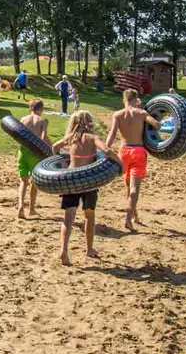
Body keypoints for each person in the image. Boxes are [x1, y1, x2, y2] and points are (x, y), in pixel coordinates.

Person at [52, 110, 120, 265]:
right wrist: (120, 163)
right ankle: (89, 249)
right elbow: (107, 151)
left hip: (71, 178)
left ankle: (63, 250)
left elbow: (55, 147)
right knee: (89, 215)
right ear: (89, 122)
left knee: (68, 217)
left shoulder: (70, 138)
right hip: (88, 179)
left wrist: (62, 162)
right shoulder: (92, 137)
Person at [105, 88, 159, 231]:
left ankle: (135, 216)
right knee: (134, 189)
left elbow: (112, 133)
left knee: (128, 187)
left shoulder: (117, 114)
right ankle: (128, 219)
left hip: (123, 152)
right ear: (136, 100)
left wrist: (106, 149)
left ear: (124, 100)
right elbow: (156, 124)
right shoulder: (141, 113)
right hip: (138, 151)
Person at [17, 99, 48, 219]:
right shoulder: (43, 120)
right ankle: (31, 209)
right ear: (41, 109)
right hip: (35, 153)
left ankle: (20, 207)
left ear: (30, 108)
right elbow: (43, 137)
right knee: (34, 183)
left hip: (23, 151)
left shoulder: (24, 119)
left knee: (23, 182)